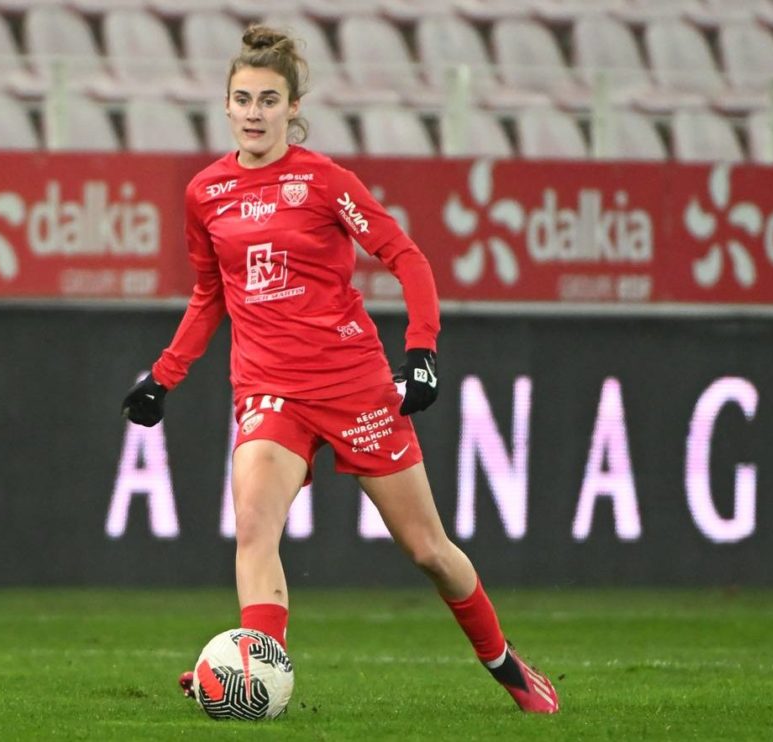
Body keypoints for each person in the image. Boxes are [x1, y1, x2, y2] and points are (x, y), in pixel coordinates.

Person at [121, 24, 559, 714]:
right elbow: (210, 295)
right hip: (269, 390)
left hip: (353, 385)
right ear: (226, 105)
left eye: (269, 99)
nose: (255, 112)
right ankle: (254, 677)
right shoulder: (205, 193)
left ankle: (507, 666)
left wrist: (422, 352)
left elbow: (407, 257)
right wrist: (164, 375)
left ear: (293, 107)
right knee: (254, 526)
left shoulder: (324, 182)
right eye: (243, 99)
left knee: (428, 549)